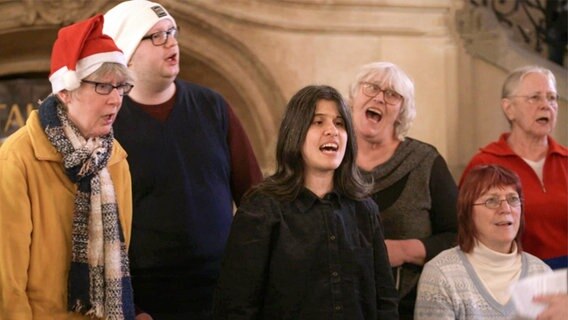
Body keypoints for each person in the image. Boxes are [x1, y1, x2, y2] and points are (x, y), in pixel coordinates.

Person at [102, 1, 263, 319]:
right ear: (128, 52)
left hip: (221, 294)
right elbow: (98, 227)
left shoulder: (213, 106)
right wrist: (129, 307)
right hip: (144, 300)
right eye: (157, 37)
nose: (172, 42)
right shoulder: (108, 121)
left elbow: (256, 200)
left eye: (172, 32)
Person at [213, 85, 399, 319]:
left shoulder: (364, 208)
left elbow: (385, 301)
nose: (332, 130)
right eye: (318, 122)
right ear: (296, 133)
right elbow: (236, 306)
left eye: (340, 123)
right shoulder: (261, 207)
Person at [0, 15, 136, 319]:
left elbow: (123, 258)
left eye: (121, 87)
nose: (116, 99)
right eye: (103, 86)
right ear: (65, 91)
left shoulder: (115, 158)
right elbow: (6, 283)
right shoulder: (17, 159)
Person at [348, 61, 458, 318]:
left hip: (412, 305)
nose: (379, 98)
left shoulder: (425, 160)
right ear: (353, 99)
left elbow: (460, 235)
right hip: (340, 304)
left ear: (401, 111)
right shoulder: (331, 159)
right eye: (371, 87)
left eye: (392, 95)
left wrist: (405, 250)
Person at [460, 65, 567, 270]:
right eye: (534, 97)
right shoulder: (485, 164)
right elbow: (467, 233)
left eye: (552, 98)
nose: (546, 106)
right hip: (511, 275)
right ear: (509, 108)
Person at [415, 164, 552, 319]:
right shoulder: (440, 274)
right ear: (468, 213)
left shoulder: (542, 273)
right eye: (491, 201)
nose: (506, 208)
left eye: (513, 199)